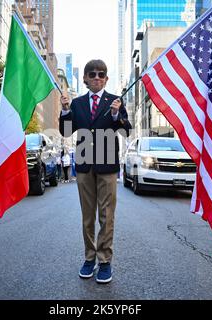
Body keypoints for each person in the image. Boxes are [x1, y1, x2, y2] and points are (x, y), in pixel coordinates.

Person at [59, 59, 132, 284]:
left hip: (107, 166)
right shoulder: (78, 103)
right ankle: (89, 258)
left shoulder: (115, 102)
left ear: (106, 79)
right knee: (87, 217)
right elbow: (66, 132)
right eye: (92, 74)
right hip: (84, 165)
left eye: (101, 74)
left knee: (106, 216)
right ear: (85, 79)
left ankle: (105, 261)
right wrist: (64, 111)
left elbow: (126, 130)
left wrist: (114, 115)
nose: (97, 77)